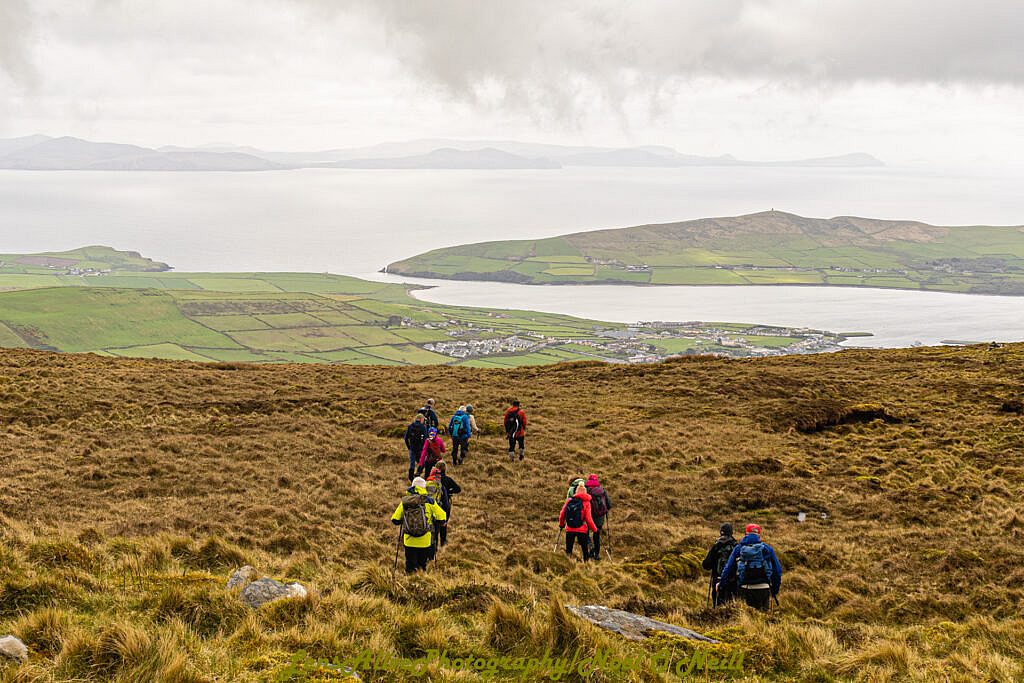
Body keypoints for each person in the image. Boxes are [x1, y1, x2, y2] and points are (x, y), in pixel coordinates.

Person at [717, 524, 782, 611]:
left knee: (746, 618)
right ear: (759, 535)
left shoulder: (738, 548)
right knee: (763, 619)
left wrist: (721, 585)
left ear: (746, 534)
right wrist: (774, 590)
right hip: (764, 588)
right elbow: (777, 571)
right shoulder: (767, 549)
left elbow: (727, 568)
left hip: (744, 588)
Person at [390, 477, 447, 573]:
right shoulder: (429, 501)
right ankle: (421, 582)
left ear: (412, 487)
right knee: (422, 565)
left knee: (410, 565)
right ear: (424, 488)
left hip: (409, 540)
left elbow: (395, 520)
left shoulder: (405, 501)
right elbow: (442, 517)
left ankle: (409, 584)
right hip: (425, 540)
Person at [427, 461, 461, 549]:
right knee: (444, 524)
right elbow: (458, 489)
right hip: (445, 505)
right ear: (445, 469)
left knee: (434, 526)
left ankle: (434, 545)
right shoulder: (448, 479)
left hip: (433, 505)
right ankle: (443, 542)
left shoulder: (432, 480)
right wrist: (449, 491)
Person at [559, 484, 597, 562]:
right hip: (582, 529)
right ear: (585, 492)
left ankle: (568, 564)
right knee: (584, 549)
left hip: (569, 528)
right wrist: (595, 529)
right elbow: (589, 519)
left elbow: (562, 513)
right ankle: (586, 565)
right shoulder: (587, 503)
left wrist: (561, 524)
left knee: (569, 550)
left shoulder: (569, 500)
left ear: (576, 491)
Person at [702, 523, 737, 606]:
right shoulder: (735, 546)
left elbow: (706, 565)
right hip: (732, 582)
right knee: (733, 607)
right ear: (731, 533)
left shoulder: (716, 546)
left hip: (717, 582)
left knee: (718, 607)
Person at [584, 474, 612, 561]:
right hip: (600, 518)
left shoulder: (586, 490)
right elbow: (609, 504)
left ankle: (590, 548)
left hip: (589, 516)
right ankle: (597, 554)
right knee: (597, 536)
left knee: (586, 533)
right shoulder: (602, 490)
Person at [403, 414, 429, 482]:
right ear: (421, 419)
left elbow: (406, 438)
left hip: (412, 448)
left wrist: (409, 447)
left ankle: (411, 477)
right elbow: (425, 439)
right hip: (420, 449)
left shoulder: (410, 426)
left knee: (412, 464)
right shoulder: (423, 427)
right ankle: (418, 473)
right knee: (422, 462)